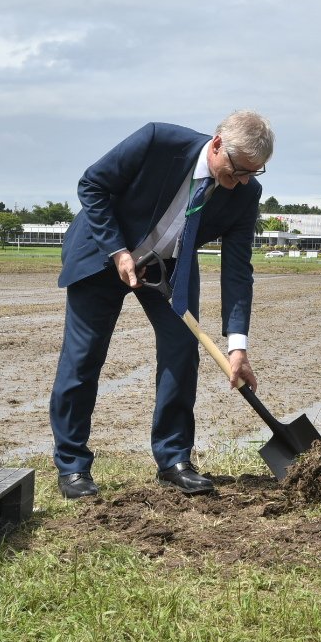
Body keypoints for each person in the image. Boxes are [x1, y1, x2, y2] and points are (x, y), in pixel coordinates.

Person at [49, 111, 273, 498]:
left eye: (254, 173)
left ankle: (174, 459)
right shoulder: (158, 141)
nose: (243, 182)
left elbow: (238, 269)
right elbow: (92, 186)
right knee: (84, 357)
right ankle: (72, 467)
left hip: (170, 265)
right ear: (218, 144)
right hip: (104, 253)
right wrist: (118, 252)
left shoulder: (244, 194)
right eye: (238, 171)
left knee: (182, 351)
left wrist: (239, 347)